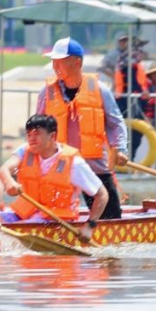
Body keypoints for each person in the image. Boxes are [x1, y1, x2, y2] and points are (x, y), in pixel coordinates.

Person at [37, 37, 128, 220]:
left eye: (60, 61)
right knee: (54, 219)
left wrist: (120, 148)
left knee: (111, 220)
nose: (55, 66)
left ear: (77, 62)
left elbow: (116, 123)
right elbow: (37, 128)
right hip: (59, 168)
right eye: (53, 61)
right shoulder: (46, 93)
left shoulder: (100, 90)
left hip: (95, 167)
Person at [0, 114, 109, 243]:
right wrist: (9, 182)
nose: (31, 139)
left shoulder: (74, 163)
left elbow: (102, 195)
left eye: (37, 134)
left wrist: (90, 226)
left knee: (25, 225)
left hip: (55, 220)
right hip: (24, 213)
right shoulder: (24, 151)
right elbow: (4, 169)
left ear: (52, 136)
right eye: (29, 134)